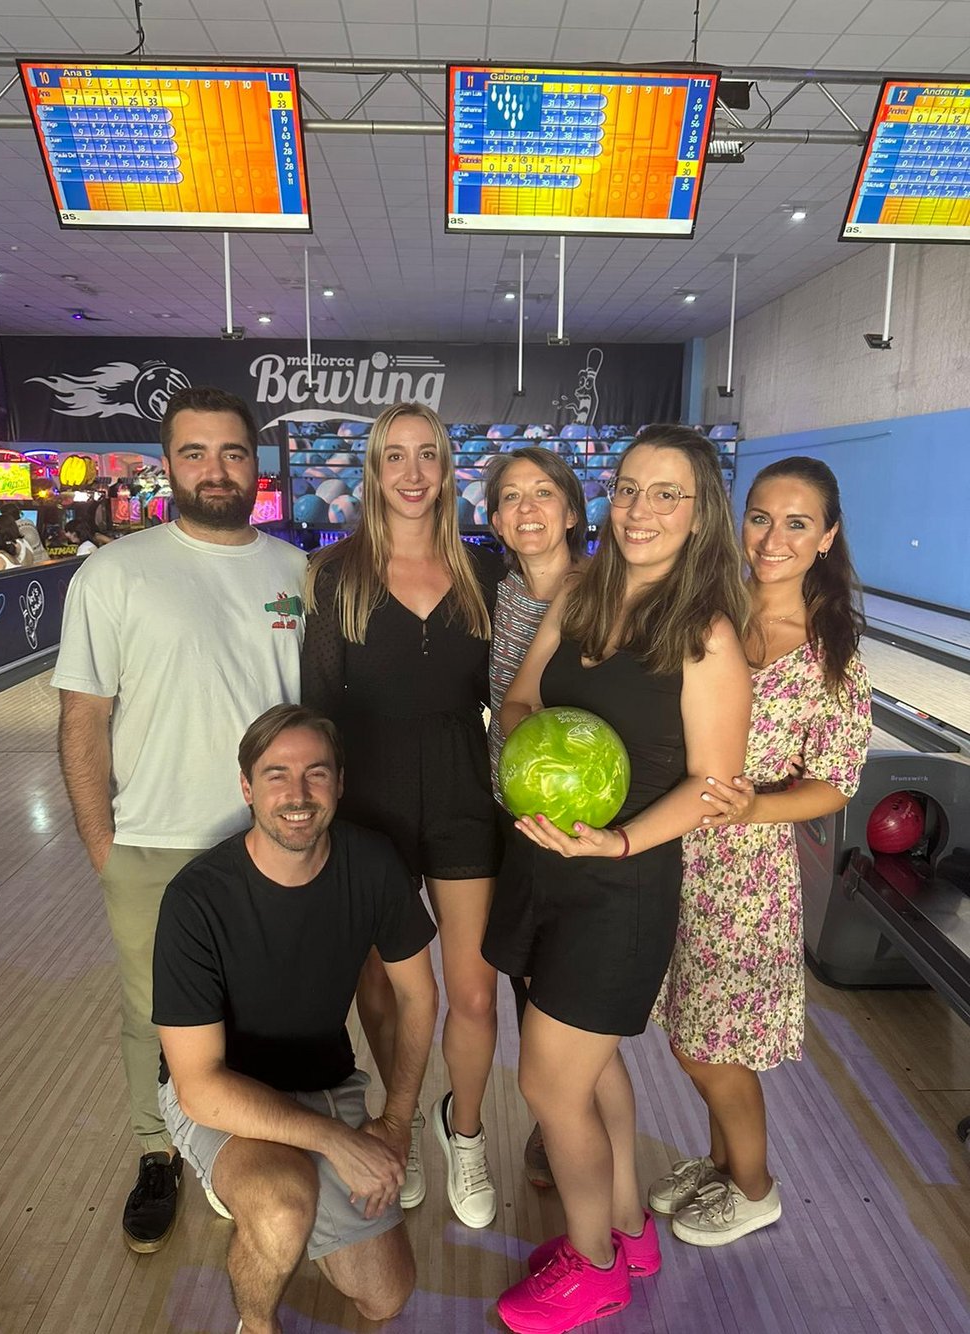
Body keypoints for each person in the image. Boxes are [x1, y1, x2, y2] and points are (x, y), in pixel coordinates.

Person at [484, 424, 752, 1334]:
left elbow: (713, 787)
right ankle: (628, 1228)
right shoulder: (584, 592)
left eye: (667, 494)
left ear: (699, 514)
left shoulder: (707, 634)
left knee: (549, 1086)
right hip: (543, 865)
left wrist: (621, 841)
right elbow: (521, 697)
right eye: (630, 488)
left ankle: (594, 1266)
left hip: (622, 888)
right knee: (591, 1072)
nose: (641, 510)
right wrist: (536, 753)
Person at [52, 385, 309, 1254]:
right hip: (152, 841)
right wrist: (103, 846)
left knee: (260, 1005)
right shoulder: (113, 574)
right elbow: (83, 717)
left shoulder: (294, 573)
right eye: (194, 453)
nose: (214, 469)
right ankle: (155, 1152)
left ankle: (250, 1143)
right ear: (168, 465)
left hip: (271, 841)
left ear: (255, 465)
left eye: (231, 452)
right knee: (153, 1012)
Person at [154, 705, 438, 1334]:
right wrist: (336, 1141)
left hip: (322, 1082)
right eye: (276, 774)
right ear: (247, 787)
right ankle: (257, 1321)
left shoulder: (373, 864)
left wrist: (397, 1122)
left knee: (386, 1297)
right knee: (283, 1206)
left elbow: (419, 997)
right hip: (223, 1095)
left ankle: (283, 1193)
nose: (298, 794)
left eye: (316, 773)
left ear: (339, 782)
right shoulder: (195, 899)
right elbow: (199, 1085)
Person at [651, 456, 872, 1246]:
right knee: (694, 1024)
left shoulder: (832, 652)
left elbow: (837, 782)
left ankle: (754, 1187)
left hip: (743, 876)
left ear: (827, 537)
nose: (774, 538)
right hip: (671, 848)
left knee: (706, 1044)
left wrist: (756, 810)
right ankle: (720, 1163)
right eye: (760, 517)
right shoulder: (706, 609)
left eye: (798, 523)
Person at [302, 402, 505, 1228]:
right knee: (384, 993)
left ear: (447, 469)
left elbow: (513, 693)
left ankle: (466, 1133)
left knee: (475, 994)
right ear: (373, 472)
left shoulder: (485, 572)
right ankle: (401, 1123)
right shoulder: (335, 574)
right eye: (395, 456)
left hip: (463, 797)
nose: (413, 473)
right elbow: (319, 706)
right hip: (367, 805)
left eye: (427, 455)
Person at [484, 445, 586, 1189]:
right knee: (526, 972)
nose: (527, 508)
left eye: (543, 492)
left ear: (571, 511)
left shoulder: (609, 594)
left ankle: (572, 1113)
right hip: (508, 812)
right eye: (511, 497)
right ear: (495, 521)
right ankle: (555, 1122)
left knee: (571, 978)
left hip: (586, 819)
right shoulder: (491, 597)